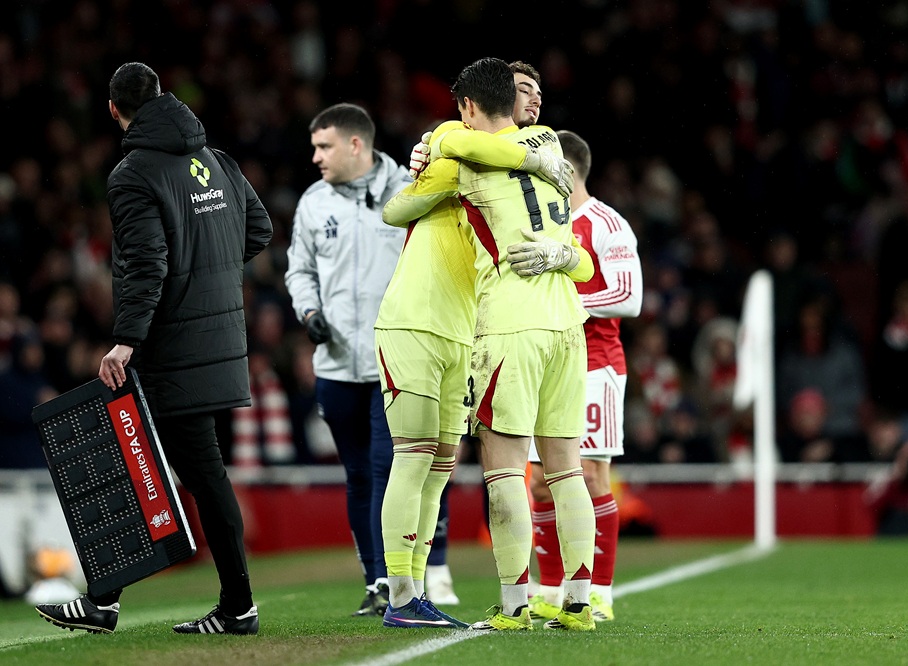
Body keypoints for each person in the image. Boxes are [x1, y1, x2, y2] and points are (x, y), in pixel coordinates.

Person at [35, 62, 272, 635]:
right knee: (146, 458)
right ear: (164, 98)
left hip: (171, 349)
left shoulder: (132, 174)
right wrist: (209, 272)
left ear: (114, 110)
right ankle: (106, 600)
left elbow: (147, 263)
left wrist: (125, 341)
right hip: (220, 343)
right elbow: (259, 230)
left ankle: (236, 608)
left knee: (194, 472)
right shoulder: (217, 162)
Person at [395, 57, 597, 632]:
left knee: (505, 470)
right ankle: (578, 602)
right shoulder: (548, 144)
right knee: (566, 469)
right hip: (567, 322)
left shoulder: (463, 158)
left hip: (510, 321)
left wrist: (427, 149)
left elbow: (401, 207)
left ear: (468, 106)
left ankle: (514, 606)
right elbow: (579, 256)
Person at [284, 102, 408, 617]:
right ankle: (377, 581)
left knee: (386, 469)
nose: (315, 157)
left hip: (393, 362)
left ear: (356, 144)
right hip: (335, 365)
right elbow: (298, 270)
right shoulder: (314, 203)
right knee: (358, 475)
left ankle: (401, 580)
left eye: (324, 146)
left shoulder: (409, 194)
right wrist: (308, 309)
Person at [523, 130, 642, 624]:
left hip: (596, 365)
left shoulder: (607, 223)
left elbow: (629, 297)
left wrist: (567, 305)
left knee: (591, 475)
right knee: (539, 485)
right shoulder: (536, 221)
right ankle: (549, 589)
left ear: (565, 171)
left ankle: (599, 592)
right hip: (544, 366)